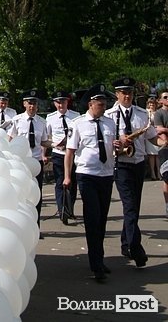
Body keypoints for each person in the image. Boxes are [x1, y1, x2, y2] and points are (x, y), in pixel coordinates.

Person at [64, 85, 115, 282]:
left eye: (105, 104)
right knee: (92, 218)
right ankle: (96, 265)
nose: (104, 107)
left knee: (102, 218)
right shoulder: (78, 124)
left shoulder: (109, 123)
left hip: (107, 174)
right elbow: (70, 151)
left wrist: (118, 146)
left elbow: (111, 147)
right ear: (90, 104)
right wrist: (68, 177)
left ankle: (100, 259)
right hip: (87, 175)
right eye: (100, 104)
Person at [105, 76, 158, 267]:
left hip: (138, 164)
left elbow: (152, 137)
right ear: (117, 94)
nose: (127, 96)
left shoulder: (142, 114)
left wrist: (163, 142)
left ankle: (125, 243)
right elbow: (105, 142)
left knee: (134, 206)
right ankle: (136, 249)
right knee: (129, 206)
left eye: (130, 92)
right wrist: (117, 143)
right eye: (123, 92)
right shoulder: (109, 115)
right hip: (121, 164)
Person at [8, 90, 51, 226]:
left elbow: (44, 141)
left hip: (36, 162)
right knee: (20, 194)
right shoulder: (16, 120)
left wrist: (56, 144)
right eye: (30, 103)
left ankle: (35, 225)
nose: (32, 106)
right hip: (20, 162)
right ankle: (20, 225)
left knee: (36, 194)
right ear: (24, 104)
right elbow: (10, 139)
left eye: (35, 104)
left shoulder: (42, 122)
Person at [46, 89, 79, 222]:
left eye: (63, 102)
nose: (61, 105)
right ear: (55, 103)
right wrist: (49, 150)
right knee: (60, 183)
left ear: (67, 102)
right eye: (58, 102)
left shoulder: (76, 116)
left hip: (74, 154)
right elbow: (46, 137)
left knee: (73, 183)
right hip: (59, 154)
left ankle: (70, 208)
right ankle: (62, 211)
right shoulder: (50, 118)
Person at [153, 90, 168, 216]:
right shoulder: (159, 113)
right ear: (160, 100)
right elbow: (159, 130)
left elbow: (164, 129)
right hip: (165, 149)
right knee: (167, 178)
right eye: (165, 97)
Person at [145, 96, 160, 180]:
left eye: (153, 103)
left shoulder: (157, 112)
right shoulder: (146, 112)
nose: (151, 105)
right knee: (151, 155)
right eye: (150, 103)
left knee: (157, 154)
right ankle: (153, 173)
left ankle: (158, 172)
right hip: (149, 134)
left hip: (157, 133)